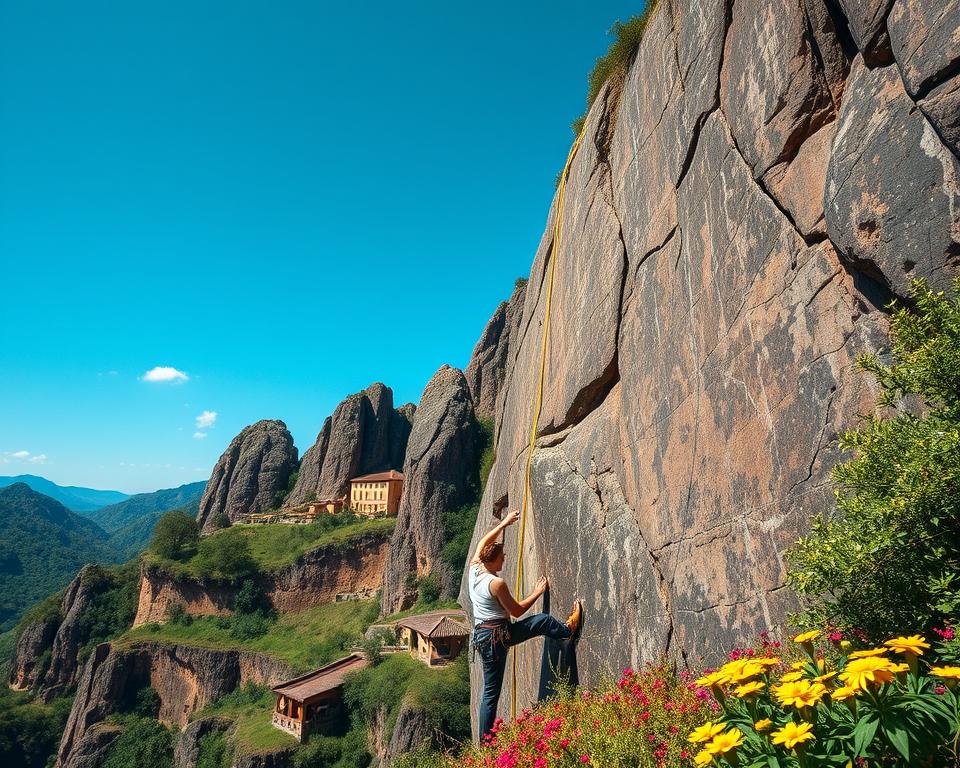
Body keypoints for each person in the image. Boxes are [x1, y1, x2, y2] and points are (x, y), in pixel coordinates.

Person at [468, 509, 583, 740]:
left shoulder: (475, 568)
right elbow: (517, 610)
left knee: (489, 692)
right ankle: (566, 630)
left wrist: (505, 524)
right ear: (493, 560)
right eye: (502, 556)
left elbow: (483, 542)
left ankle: (485, 743)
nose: (505, 558)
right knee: (543, 621)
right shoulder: (495, 583)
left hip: (483, 636)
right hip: (497, 637)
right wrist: (537, 592)